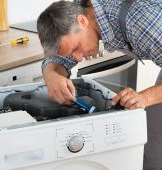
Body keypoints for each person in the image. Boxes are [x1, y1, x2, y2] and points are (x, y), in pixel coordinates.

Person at [37, 0, 162, 170]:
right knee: (153, 134)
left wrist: (145, 97)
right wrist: (51, 74)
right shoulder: (79, 13)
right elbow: (56, 60)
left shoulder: (139, 19)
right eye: (72, 52)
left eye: (77, 47)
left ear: (82, 21)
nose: (79, 58)